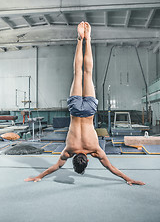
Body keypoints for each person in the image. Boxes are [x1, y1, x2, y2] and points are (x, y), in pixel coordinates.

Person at [24, 22, 145, 186]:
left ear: (87, 160)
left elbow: (111, 168)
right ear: (74, 160)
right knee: (78, 73)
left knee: (87, 74)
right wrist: (39, 176)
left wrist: (129, 179)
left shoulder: (95, 150)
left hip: (88, 111)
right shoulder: (68, 151)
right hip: (75, 110)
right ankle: (80, 40)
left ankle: (88, 38)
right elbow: (54, 167)